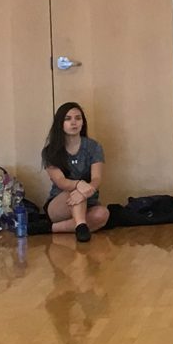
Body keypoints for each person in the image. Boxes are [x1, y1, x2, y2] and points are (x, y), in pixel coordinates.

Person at [41, 102, 110, 243]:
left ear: (83, 122)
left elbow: (96, 179)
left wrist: (85, 192)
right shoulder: (50, 151)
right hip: (60, 204)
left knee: (102, 214)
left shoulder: (94, 147)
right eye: (68, 119)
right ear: (60, 123)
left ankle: (51, 228)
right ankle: (80, 226)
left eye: (78, 118)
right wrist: (79, 185)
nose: (74, 122)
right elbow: (60, 181)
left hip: (88, 199)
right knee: (74, 193)